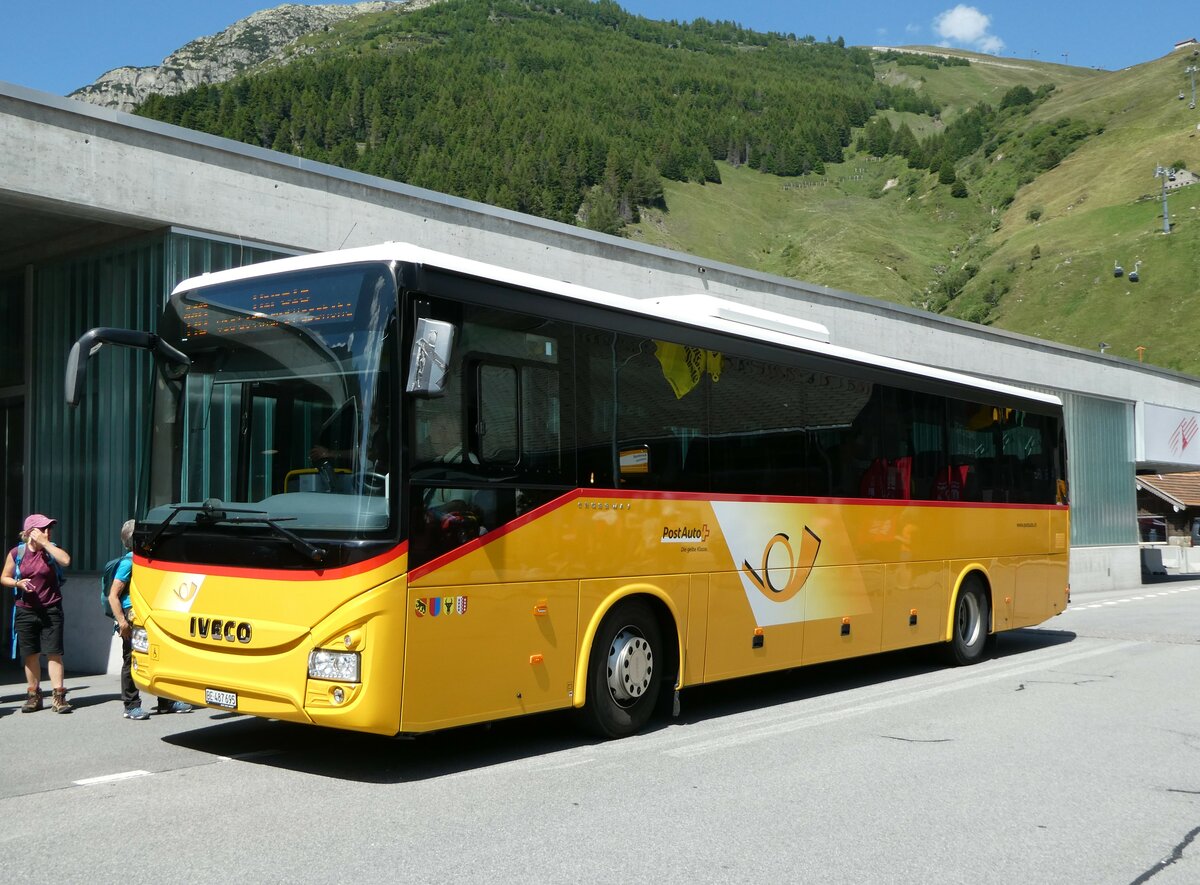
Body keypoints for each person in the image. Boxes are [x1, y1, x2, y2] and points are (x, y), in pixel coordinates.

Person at [109, 519, 193, 720]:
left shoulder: (147, 561)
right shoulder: (128, 563)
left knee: (159, 657)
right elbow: (113, 595)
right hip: (132, 619)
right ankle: (131, 705)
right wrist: (122, 622)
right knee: (132, 659)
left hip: (149, 617)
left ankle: (166, 701)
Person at [3, 514, 72, 713]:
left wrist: (46, 543)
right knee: (30, 654)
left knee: (54, 653)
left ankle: (59, 697)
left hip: (51, 609)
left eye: (49, 529)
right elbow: (4, 577)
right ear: (30, 532)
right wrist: (18, 583)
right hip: (26, 610)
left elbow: (66, 560)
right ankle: (34, 696)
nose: (47, 532)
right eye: (42, 529)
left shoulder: (51, 551)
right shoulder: (18, 552)